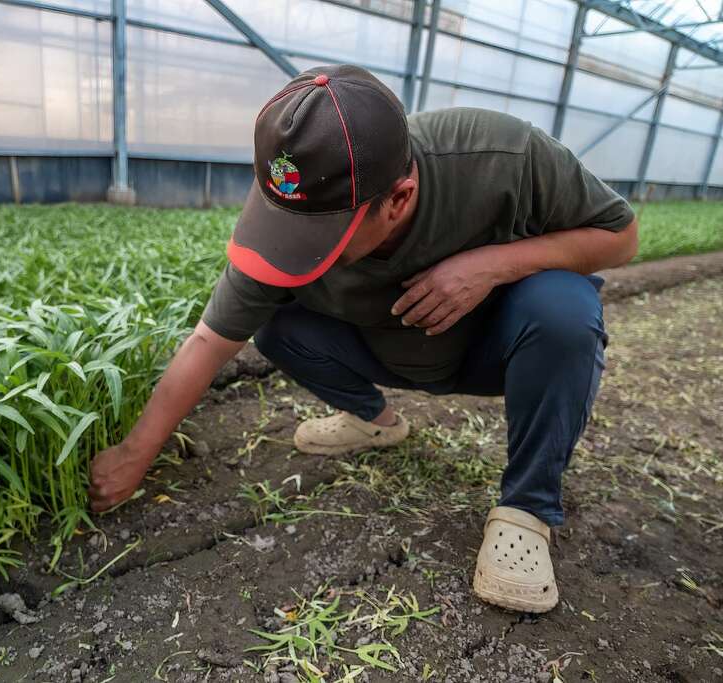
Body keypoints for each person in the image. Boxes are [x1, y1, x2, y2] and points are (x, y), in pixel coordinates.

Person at [87, 64, 638, 613]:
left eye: (321, 235)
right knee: (273, 326)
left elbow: (621, 236)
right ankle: (373, 422)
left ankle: (527, 509)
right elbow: (209, 341)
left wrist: (494, 265)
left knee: (563, 307)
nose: (293, 248)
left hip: (494, 350)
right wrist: (135, 453)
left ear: (398, 199)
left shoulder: (502, 155)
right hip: (382, 348)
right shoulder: (301, 183)